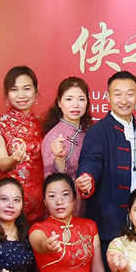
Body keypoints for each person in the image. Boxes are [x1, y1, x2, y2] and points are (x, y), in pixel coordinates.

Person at [76, 70, 136, 253]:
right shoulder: (98, 131)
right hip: (110, 220)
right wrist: (87, 177)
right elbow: (92, 160)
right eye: (118, 94)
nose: (124, 100)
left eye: (130, 94)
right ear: (108, 97)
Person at [0, 66, 46, 221]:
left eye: (26, 89)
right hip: (10, 204)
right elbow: (1, 163)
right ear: (7, 93)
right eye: (14, 90)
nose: (21, 95)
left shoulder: (45, 124)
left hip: (43, 204)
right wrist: (14, 159)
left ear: (36, 90)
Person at [41, 76, 91, 217]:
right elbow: (52, 180)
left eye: (81, 99)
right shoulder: (54, 136)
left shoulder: (85, 133)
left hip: (86, 203)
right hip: (64, 208)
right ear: (59, 102)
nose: (76, 105)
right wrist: (59, 158)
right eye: (69, 99)